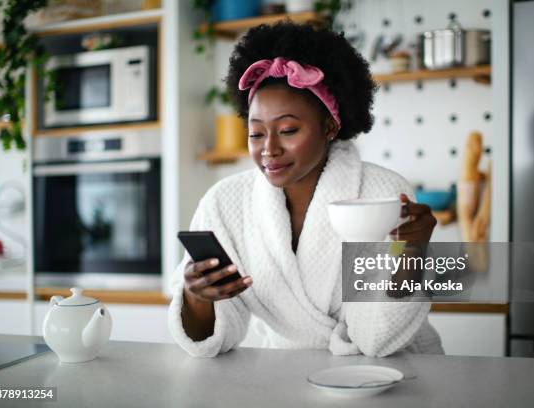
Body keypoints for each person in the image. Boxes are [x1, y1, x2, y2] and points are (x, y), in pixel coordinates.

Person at [168, 22, 443, 357]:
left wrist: (411, 251)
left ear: (329, 126)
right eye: (256, 133)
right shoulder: (225, 203)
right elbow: (214, 341)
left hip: (397, 373)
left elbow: (377, 338)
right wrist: (197, 296)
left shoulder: (381, 192)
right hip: (289, 377)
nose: (269, 148)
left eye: (287, 130)